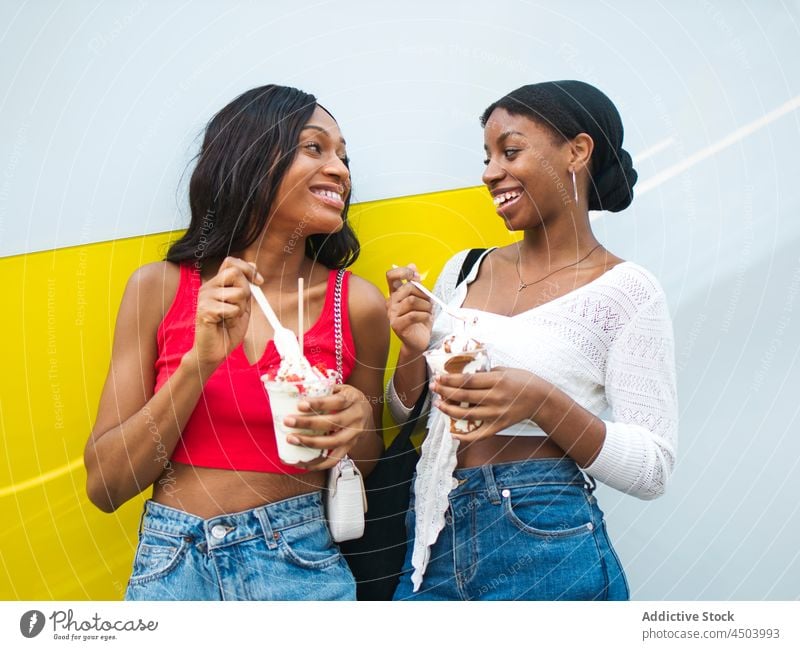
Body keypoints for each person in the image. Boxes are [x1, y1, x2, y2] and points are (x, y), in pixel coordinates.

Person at [84, 84, 389, 600]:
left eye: (343, 155)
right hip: (173, 566)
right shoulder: (157, 289)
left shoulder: (356, 304)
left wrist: (355, 422)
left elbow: (364, 461)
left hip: (300, 567)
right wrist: (197, 363)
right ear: (248, 158)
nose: (340, 169)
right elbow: (106, 486)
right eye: (315, 148)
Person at [386, 80, 678, 600]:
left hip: (543, 536)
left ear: (577, 151)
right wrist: (411, 350)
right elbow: (406, 412)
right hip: (431, 533)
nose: (490, 172)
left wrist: (542, 401)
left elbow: (653, 468)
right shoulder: (465, 269)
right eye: (487, 156)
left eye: (510, 151)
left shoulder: (628, 291)